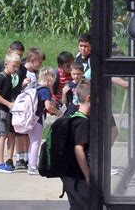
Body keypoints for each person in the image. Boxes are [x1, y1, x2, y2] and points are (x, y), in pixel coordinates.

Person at [0, 40, 27, 169]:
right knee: (1, 134)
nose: (18, 57)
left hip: (15, 103)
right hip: (4, 103)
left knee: (12, 132)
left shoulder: (22, 68)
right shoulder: (1, 66)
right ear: (9, 51)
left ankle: (9, 158)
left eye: (21, 55)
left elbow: (20, 85)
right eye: (16, 54)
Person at [0, 52, 21, 173]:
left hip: (3, 110)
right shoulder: (2, 77)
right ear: (6, 64)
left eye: (17, 66)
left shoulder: (8, 77)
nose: (16, 68)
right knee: (1, 136)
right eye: (14, 66)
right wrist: (8, 104)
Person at [61, 81, 91, 209]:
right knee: (83, 206)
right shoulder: (82, 122)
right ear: (89, 98)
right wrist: (88, 175)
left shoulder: (75, 116)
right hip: (76, 175)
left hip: (71, 174)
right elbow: (79, 149)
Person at [15, 47, 46, 171]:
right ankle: (20, 157)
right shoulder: (22, 71)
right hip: (23, 107)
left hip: (34, 108)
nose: (40, 65)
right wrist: (22, 84)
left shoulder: (36, 73)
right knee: (20, 133)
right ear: (33, 60)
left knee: (30, 135)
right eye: (39, 62)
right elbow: (14, 87)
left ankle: (29, 158)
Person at [27, 67, 62, 175]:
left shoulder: (35, 87)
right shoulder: (45, 90)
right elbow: (48, 106)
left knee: (32, 141)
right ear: (49, 79)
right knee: (36, 142)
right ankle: (32, 166)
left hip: (29, 118)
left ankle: (31, 163)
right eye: (53, 80)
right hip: (37, 119)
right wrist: (58, 112)